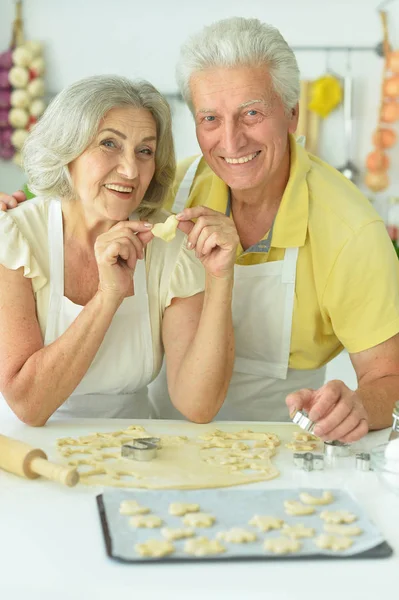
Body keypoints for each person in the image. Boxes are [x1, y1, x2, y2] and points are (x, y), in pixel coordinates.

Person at [2, 18, 399, 443]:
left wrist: (358, 406)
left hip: (285, 435)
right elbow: (85, 193)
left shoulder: (352, 232)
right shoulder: (172, 195)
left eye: (251, 113)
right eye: (210, 117)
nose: (231, 142)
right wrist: (14, 212)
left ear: (292, 115)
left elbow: (387, 377)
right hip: (165, 440)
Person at [0, 74, 237, 425]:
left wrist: (220, 278)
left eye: (145, 151)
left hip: (135, 450)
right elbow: (29, 404)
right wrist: (108, 294)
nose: (130, 170)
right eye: (109, 144)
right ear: (68, 151)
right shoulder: (15, 237)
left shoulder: (167, 245)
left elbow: (197, 405)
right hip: (26, 454)